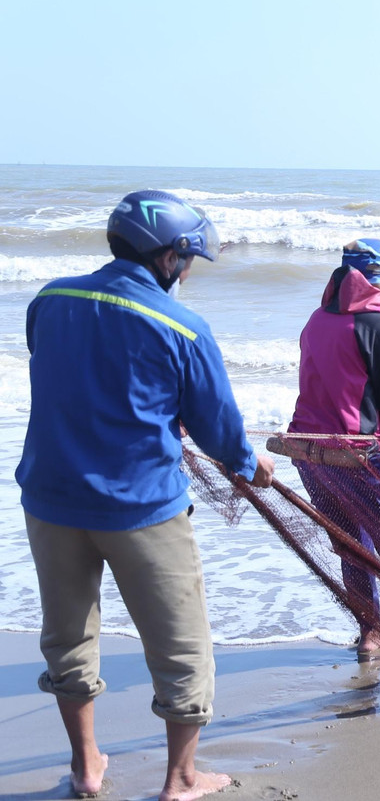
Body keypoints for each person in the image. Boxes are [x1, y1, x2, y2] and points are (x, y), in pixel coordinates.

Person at [16, 189, 275, 801]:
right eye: (187, 261)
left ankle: (86, 770)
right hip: (141, 509)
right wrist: (251, 463)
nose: (187, 273)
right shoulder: (181, 324)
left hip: (50, 500)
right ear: (170, 257)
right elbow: (217, 429)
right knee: (182, 645)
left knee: (68, 639)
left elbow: (64, 372)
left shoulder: (49, 299)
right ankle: (182, 779)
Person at [287, 238, 380, 657]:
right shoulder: (378, 322)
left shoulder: (318, 318)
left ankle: (371, 632)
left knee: (351, 540)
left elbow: (342, 386)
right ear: (374, 279)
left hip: (310, 452)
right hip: (358, 456)